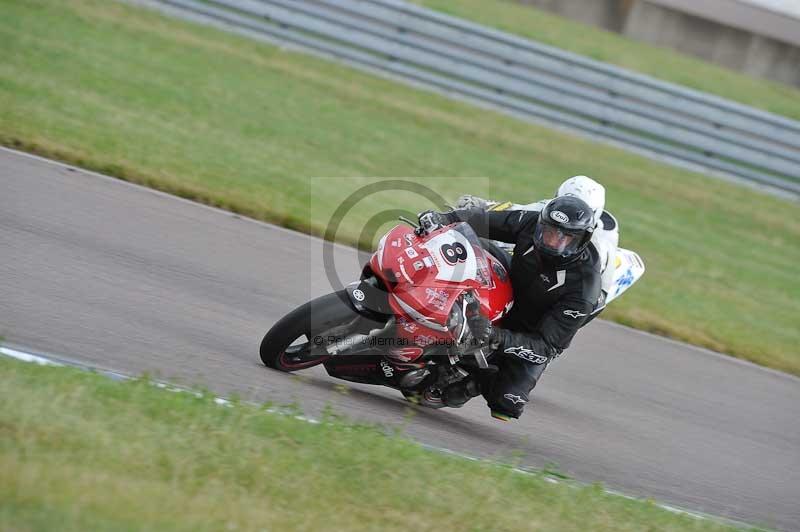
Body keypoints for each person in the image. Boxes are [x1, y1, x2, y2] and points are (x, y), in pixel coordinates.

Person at [419, 192, 602, 421]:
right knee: (466, 243)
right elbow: (483, 220)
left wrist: (494, 336)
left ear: (582, 240)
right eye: (550, 232)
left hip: (527, 329)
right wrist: (444, 219)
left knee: (506, 404)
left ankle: (474, 381)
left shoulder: (584, 287)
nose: (553, 241)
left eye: (565, 237)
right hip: (508, 284)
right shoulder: (531, 222)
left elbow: (546, 347)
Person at [456, 175, 619, 315]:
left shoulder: (598, 248)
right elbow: (517, 213)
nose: (569, 211)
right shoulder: (552, 211)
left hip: (564, 294)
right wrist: (482, 206)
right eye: (566, 202)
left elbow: (595, 296)